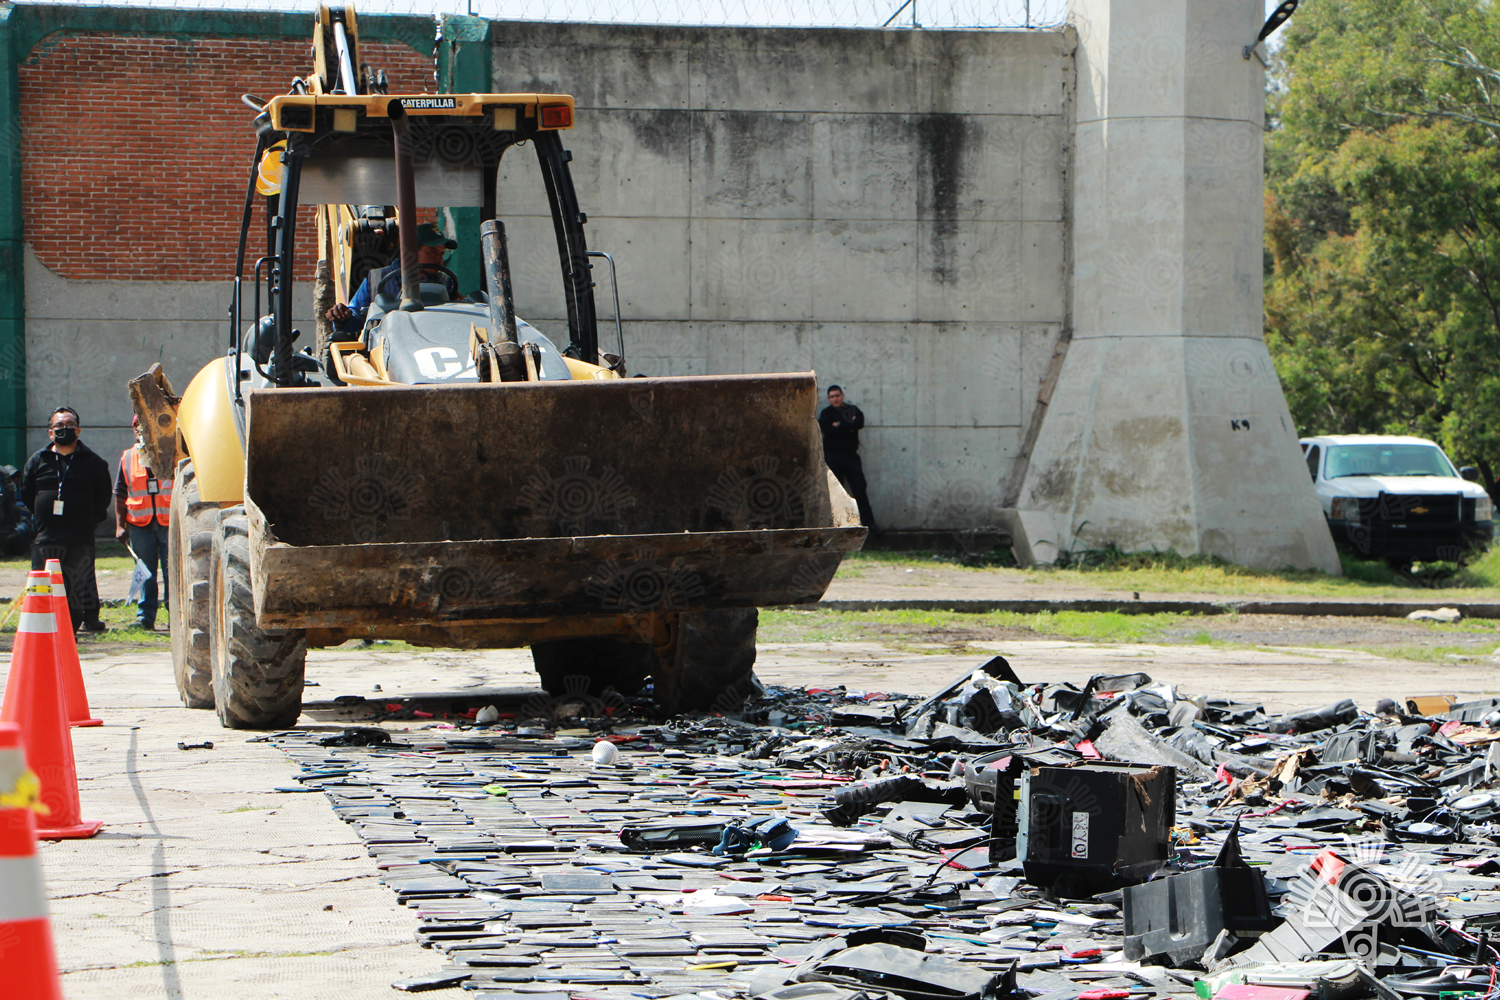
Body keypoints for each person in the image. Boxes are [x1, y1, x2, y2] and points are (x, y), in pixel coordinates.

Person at [20, 407, 113, 632]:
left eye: (70, 425)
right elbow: (27, 492)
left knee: (74, 590)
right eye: (59, 426)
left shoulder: (93, 462)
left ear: (78, 430)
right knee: (42, 587)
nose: (65, 429)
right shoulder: (38, 460)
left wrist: (89, 520)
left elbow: (104, 496)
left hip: (79, 538)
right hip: (46, 538)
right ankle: (41, 631)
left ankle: (69, 633)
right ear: (50, 433)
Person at [324, 223, 460, 333]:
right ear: (410, 252)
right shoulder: (376, 279)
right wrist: (343, 317)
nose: (439, 259)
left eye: (442, 253)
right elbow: (356, 319)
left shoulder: (446, 283)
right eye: (432, 252)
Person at [114, 416, 171, 630]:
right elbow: (119, 493)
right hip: (139, 524)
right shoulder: (128, 457)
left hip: (168, 522)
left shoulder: (171, 454)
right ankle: (144, 617)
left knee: (171, 572)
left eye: (147, 426)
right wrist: (120, 525)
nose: (142, 431)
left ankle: (175, 615)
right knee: (145, 571)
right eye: (138, 427)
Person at [818, 384, 881, 533]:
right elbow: (827, 430)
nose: (835, 399)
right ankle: (837, 527)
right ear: (828, 399)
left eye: (837, 395)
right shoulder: (826, 413)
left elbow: (858, 423)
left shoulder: (852, 410)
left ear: (842, 396)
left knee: (859, 491)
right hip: (833, 458)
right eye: (832, 396)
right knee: (835, 495)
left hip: (851, 457)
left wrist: (838, 425)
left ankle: (869, 525)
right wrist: (847, 426)